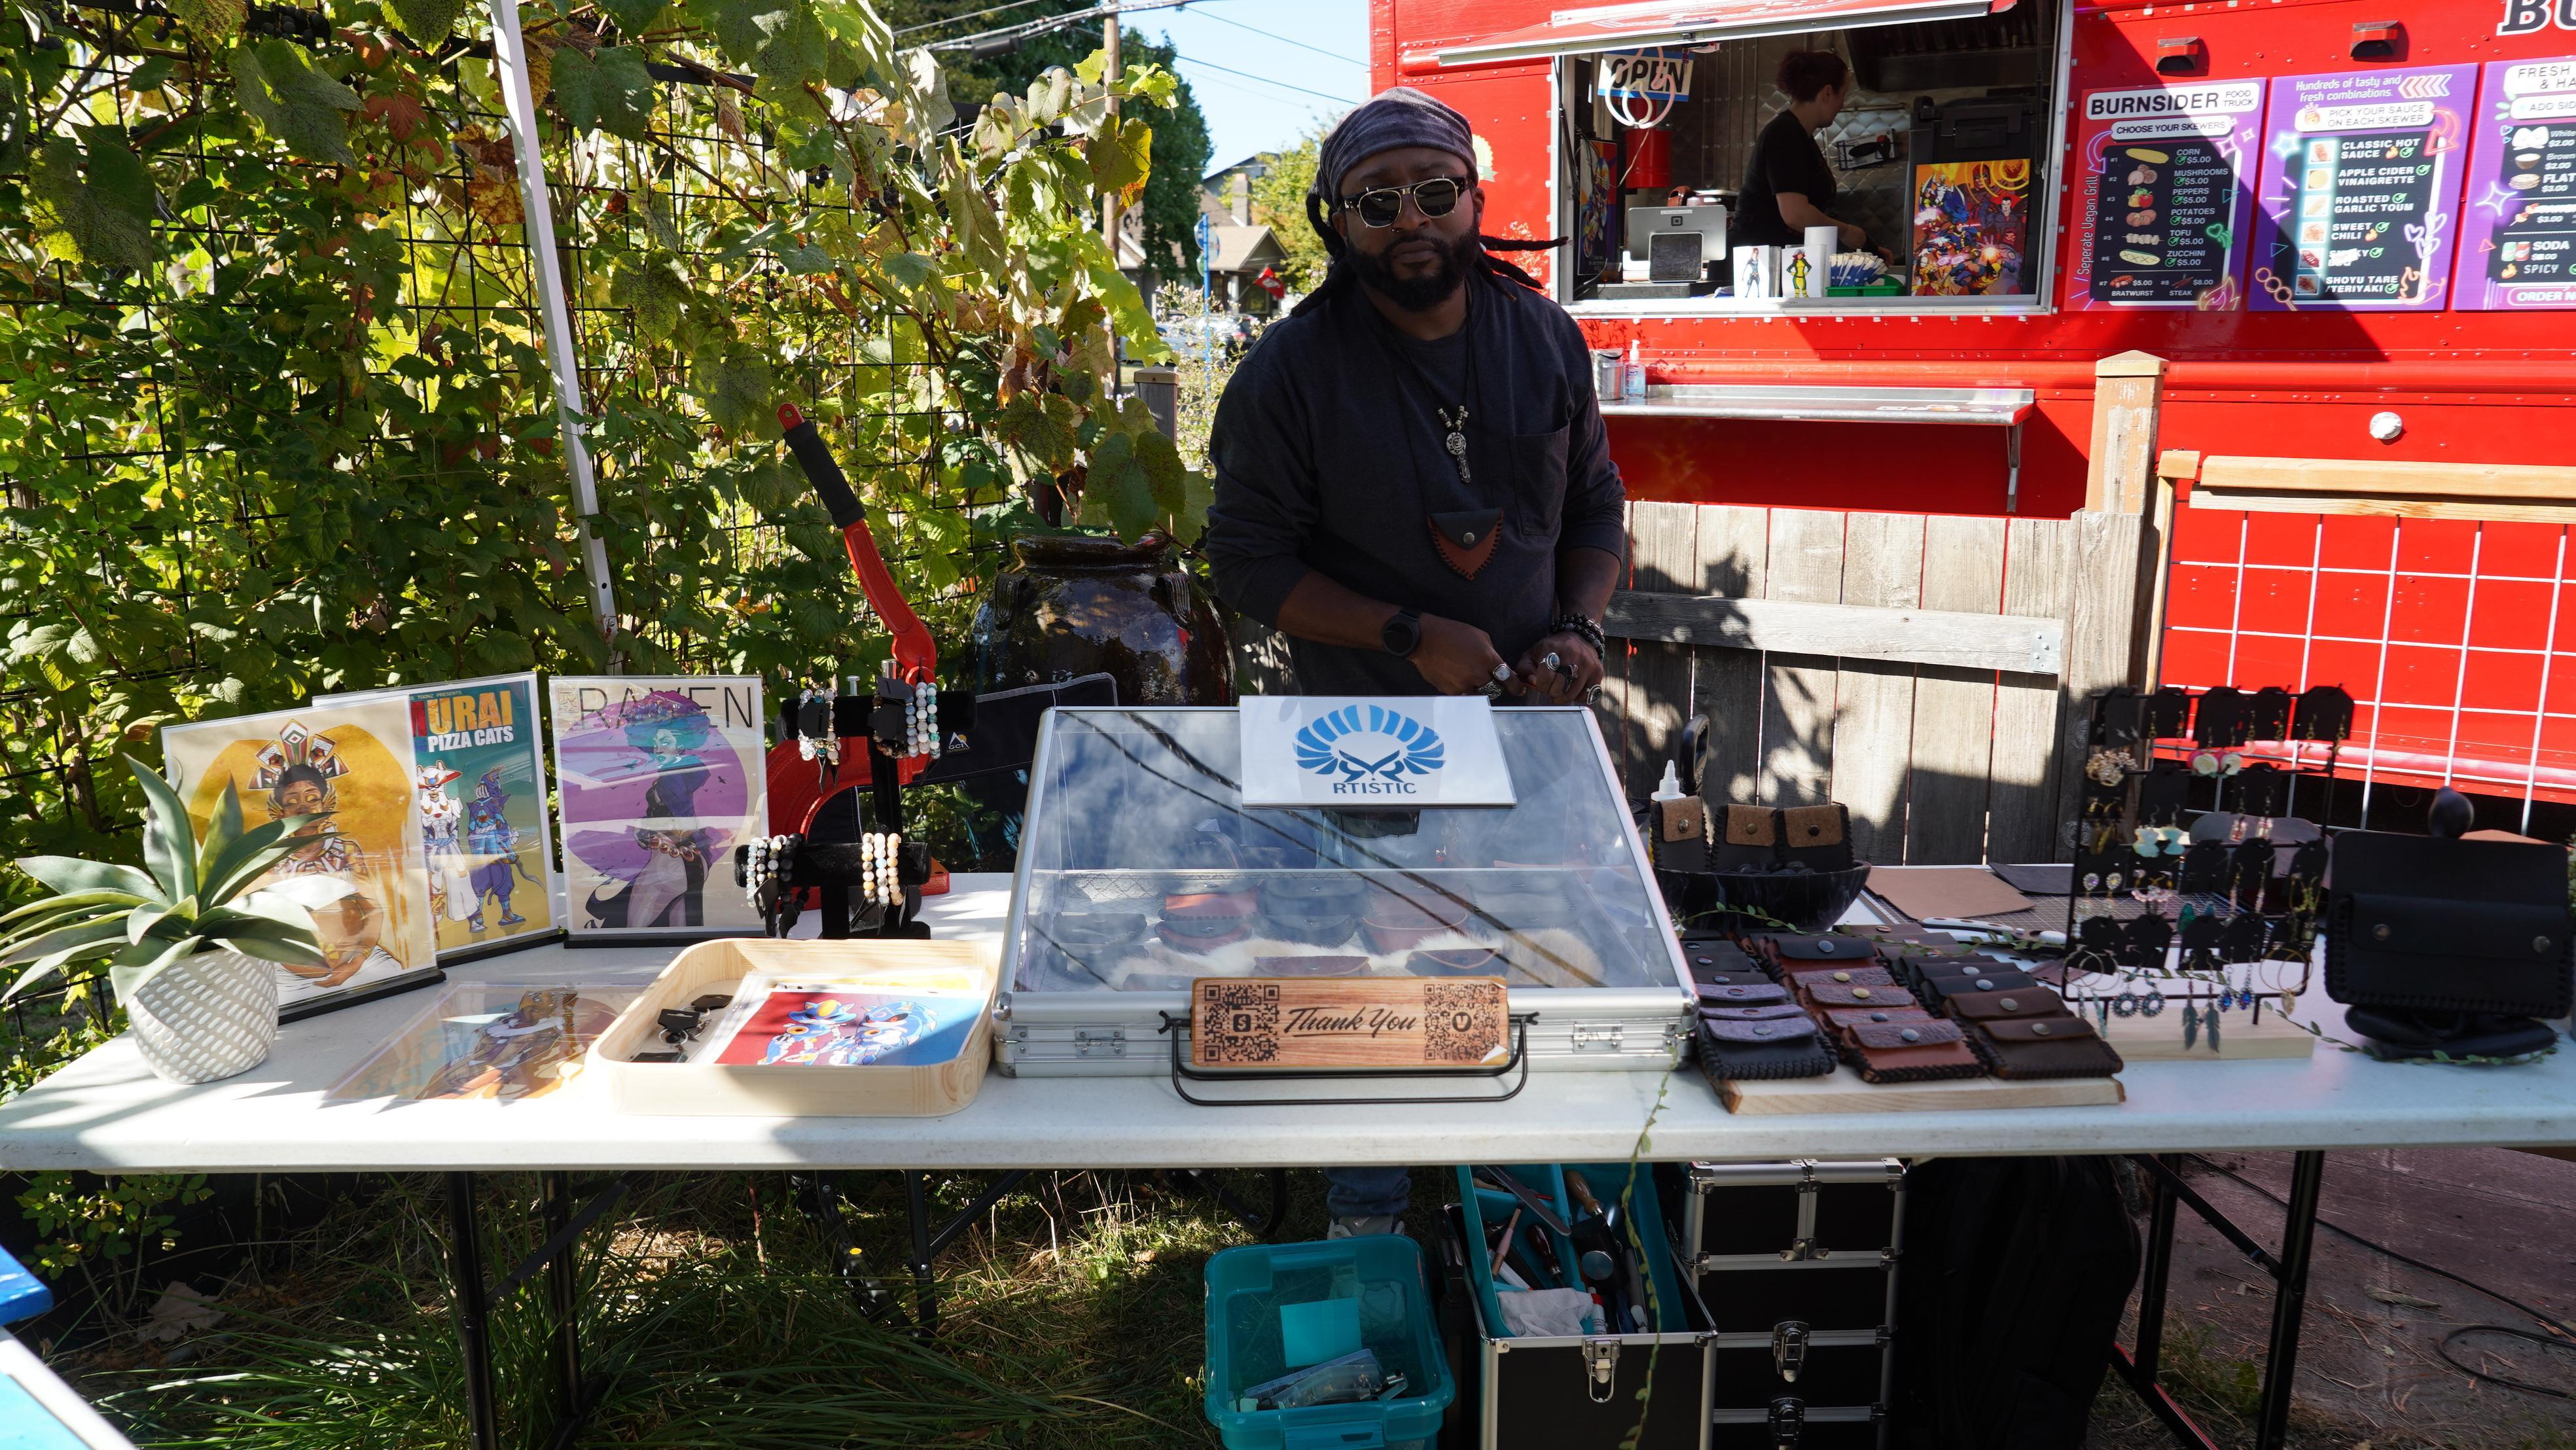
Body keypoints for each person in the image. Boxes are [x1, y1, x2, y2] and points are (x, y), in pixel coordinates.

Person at [1204, 88, 1627, 1239]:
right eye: (1376, 202)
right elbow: (1244, 563)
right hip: (1358, 740)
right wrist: (1406, 635)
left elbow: (1596, 505)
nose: (1411, 219)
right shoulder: (1291, 371)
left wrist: (1577, 631)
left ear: (1474, 202)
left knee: (1528, 969)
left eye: (1434, 192)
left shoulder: (1544, 338)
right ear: (1335, 221)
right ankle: (1371, 1230)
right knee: (1370, 993)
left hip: (1532, 739)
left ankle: (1532, 1228)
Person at [1729, 50, 1869, 254]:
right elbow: (1796, 215)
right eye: (1843, 94)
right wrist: (1845, 232)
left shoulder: (1800, 135)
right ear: (1827, 93)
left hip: (1770, 256)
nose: (1843, 104)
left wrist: (1870, 249)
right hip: (1752, 261)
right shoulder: (1785, 133)